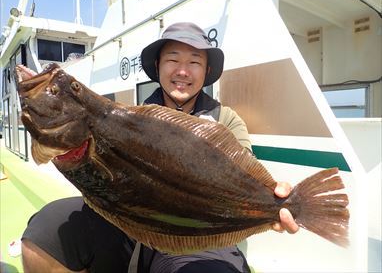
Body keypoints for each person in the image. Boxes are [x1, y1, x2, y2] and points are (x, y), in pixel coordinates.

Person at [21, 22, 298, 273]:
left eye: (194, 62)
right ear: (158, 65)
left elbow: (244, 170)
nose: (182, 71)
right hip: (127, 222)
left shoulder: (225, 119)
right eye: (173, 59)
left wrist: (271, 202)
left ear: (207, 71)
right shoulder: (129, 117)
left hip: (194, 229)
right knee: (46, 232)